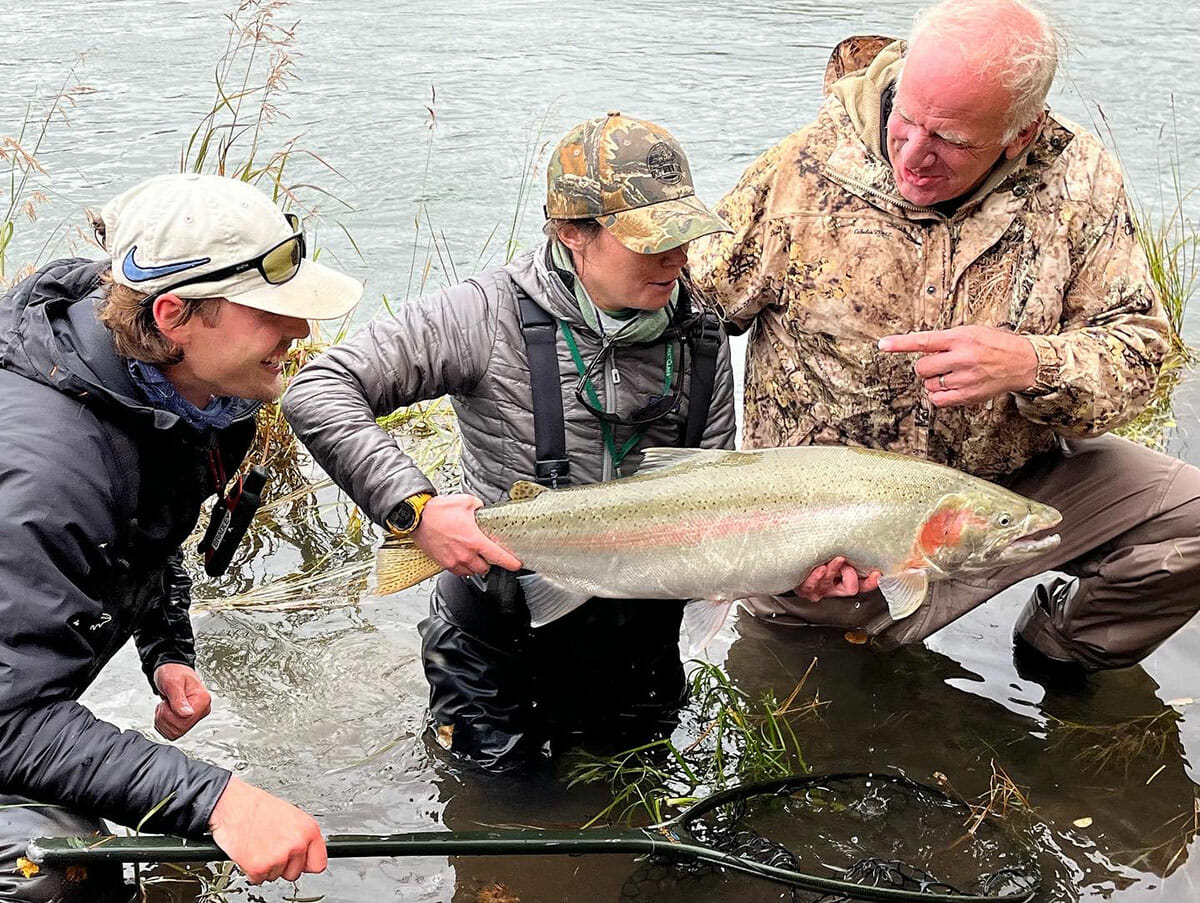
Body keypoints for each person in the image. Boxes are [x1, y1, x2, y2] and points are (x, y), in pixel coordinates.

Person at [689, 0, 1200, 672]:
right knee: (815, 715)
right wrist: (757, 534)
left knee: (1189, 524)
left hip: (1011, 498)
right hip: (833, 539)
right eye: (906, 119)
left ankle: (1054, 661)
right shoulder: (801, 172)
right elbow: (683, 322)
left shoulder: (1080, 179)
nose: (914, 154)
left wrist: (1032, 362)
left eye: (951, 141)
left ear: (1021, 133)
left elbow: (1140, 350)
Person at [283, 113, 738, 772]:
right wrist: (414, 510)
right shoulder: (483, 314)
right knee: (492, 844)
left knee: (627, 827)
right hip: (493, 654)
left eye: (683, 235)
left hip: (640, 658)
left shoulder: (702, 339)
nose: (676, 258)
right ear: (571, 233)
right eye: (651, 240)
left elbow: (716, 509)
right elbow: (319, 388)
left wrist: (789, 566)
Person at [0, 172, 362, 901]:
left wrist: (166, 648)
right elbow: (9, 721)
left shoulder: (190, 395)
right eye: (271, 313)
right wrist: (218, 799)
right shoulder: (47, 471)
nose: (299, 332)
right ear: (172, 314)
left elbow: (147, 533)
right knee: (57, 876)